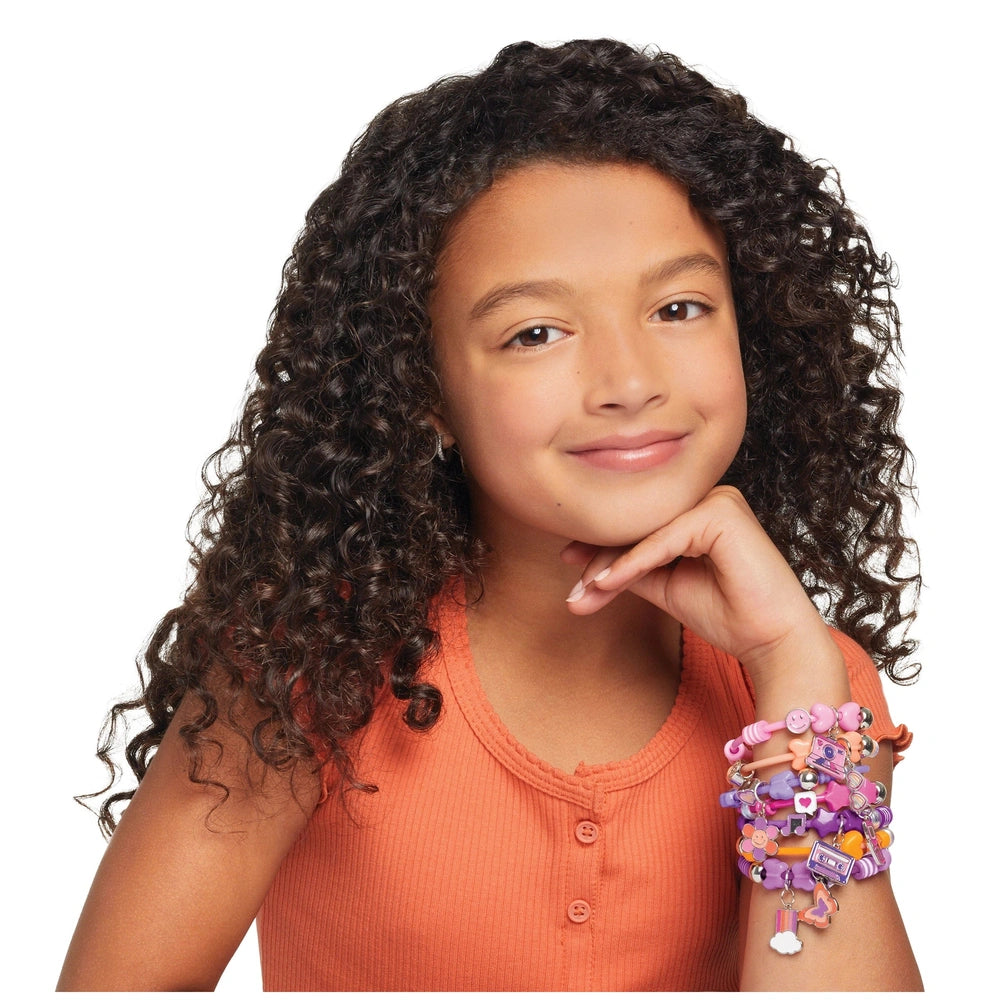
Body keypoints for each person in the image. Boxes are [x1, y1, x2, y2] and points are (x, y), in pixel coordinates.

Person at [57, 39, 923, 991]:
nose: (629, 383)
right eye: (535, 333)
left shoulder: (814, 683)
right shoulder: (311, 665)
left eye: (679, 309)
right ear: (423, 390)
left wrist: (789, 670)